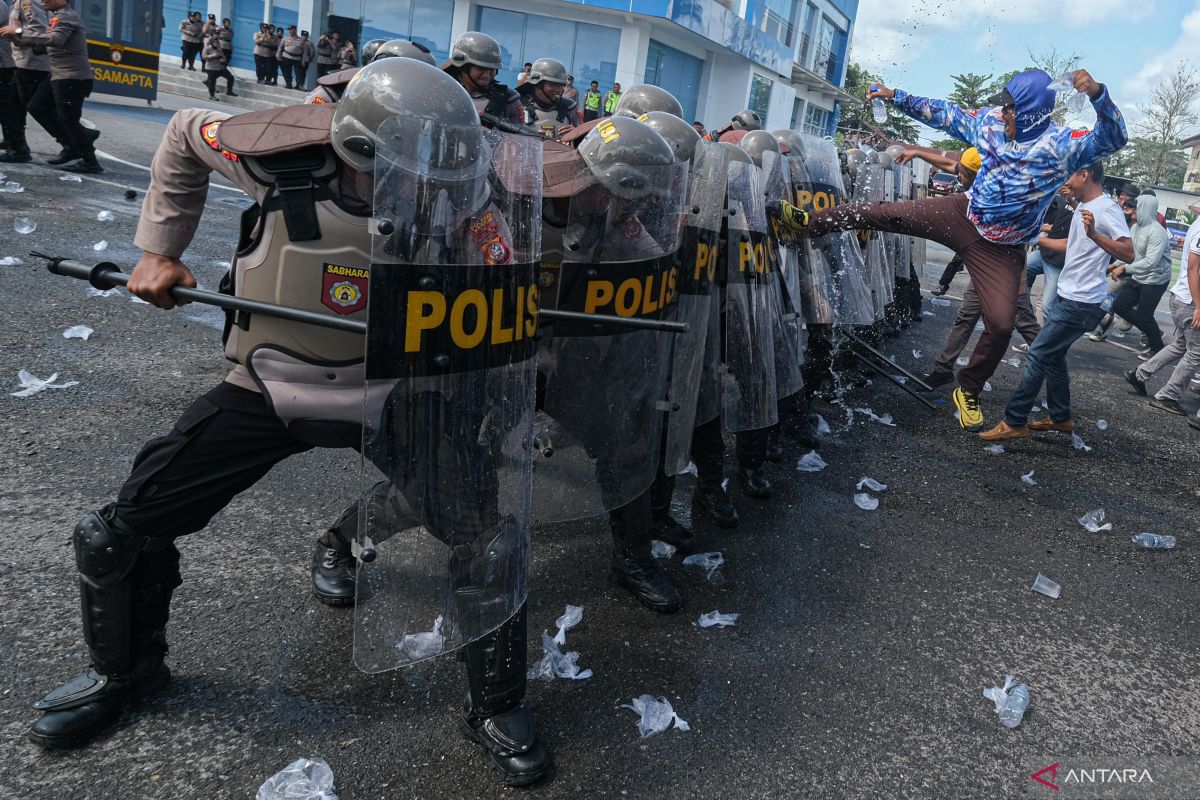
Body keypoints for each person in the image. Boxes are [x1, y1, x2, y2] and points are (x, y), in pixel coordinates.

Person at [23, 57, 552, 787]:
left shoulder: (465, 198)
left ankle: (496, 704)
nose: (431, 183)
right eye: (414, 165)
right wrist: (159, 252)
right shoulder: (271, 156)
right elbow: (181, 130)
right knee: (119, 533)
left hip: (401, 395)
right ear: (358, 146)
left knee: (489, 543)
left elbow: (499, 284)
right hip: (272, 381)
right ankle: (124, 675)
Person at [775, 68, 1128, 433]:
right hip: (962, 214)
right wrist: (895, 95)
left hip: (1002, 250)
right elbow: (945, 113)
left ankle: (968, 389)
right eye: (1002, 109)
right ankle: (808, 221)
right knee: (886, 214)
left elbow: (1115, 137)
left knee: (1002, 324)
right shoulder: (989, 123)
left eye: (1009, 110)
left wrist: (1099, 94)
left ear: (1029, 114)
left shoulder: (1063, 146)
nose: (1002, 115)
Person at [979, 162, 1133, 442]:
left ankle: (1015, 421)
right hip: (1069, 295)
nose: (1067, 179)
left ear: (1085, 175)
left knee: (1038, 353)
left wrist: (1095, 235)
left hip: (1082, 301)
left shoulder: (1106, 209)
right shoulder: (1084, 207)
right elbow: (1070, 245)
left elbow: (1129, 252)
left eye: (1071, 173)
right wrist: (1035, 237)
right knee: (1054, 357)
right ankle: (1061, 418)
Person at [0, 0, 102, 173]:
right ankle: (76, 143)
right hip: (58, 73)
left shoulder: (66, 17)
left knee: (65, 118)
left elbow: (55, 39)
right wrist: (20, 40)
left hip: (70, 75)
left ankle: (87, 156)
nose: (44, 0)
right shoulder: (57, 16)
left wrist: (18, 31)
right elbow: (49, 44)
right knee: (37, 107)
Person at [1124, 210, 1200, 418]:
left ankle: (1139, 375)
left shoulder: (1196, 225)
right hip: (1190, 300)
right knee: (1196, 352)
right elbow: (1194, 269)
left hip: (1183, 297)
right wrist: (1199, 306)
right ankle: (1168, 396)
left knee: (1180, 346)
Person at [1089, 194, 1171, 356]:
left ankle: (1157, 348)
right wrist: (1114, 265)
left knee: (1145, 316)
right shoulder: (1135, 228)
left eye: (1136, 207)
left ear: (1145, 209)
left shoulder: (1157, 233)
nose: (1132, 210)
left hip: (1156, 279)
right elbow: (1131, 255)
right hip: (1139, 275)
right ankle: (1152, 332)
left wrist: (1124, 269)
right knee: (1120, 306)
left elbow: (1150, 262)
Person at [896, 145, 979, 296]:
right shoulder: (971, 174)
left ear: (975, 176)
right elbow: (949, 164)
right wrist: (916, 153)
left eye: (962, 173)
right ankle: (943, 285)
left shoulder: (990, 190)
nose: (958, 176)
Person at [441, 31, 522, 125]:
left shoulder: (509, 99)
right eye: (481, 68)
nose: (487, 75)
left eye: (492, 69)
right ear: (463, 67)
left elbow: (521, 136)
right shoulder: (441, 91)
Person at [517, 57, 575, 137]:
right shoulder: (517, 106)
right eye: (553, 84)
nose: (559, 89)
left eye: (561, 85)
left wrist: (576, 134)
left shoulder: (569, 109)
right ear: (537, 85)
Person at [275, 24, 303, 89]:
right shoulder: (285, 38)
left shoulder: (300, 39)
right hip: (286, 56)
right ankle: (288, 83)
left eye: (292, 30)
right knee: (286, 71)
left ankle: (298, 85)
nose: (290, 31)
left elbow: (304, 50)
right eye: (289, 30)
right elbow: (280, 47)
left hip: (297, 58)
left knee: (298, 72)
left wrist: (304, 59)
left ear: (295, 30)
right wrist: (278, 55)